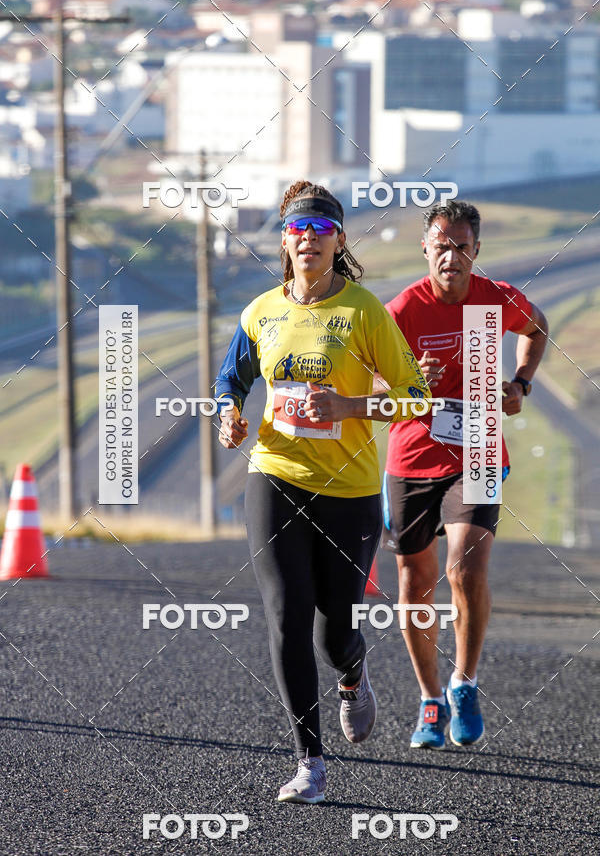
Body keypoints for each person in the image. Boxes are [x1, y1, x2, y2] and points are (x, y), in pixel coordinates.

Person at [215, 181, 430, 803]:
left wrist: (350, 404)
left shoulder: (364, 312)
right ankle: (310, 761)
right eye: (297, 229)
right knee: (286, 614)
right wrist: (227, 413)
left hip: (351, 490)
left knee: (334, 631)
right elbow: (229, 382)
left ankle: (354, 674)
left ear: (338, 240)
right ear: (284, 241)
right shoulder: (260, 312)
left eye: (320, 229)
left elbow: (415, 397)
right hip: (275, 474)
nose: (308, 239)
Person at [376, 200, 548, 749]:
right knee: (413, 583)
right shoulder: (400, 311)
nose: (451, 255)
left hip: (476, 450)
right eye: (441, 244)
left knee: (465, 568)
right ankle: (429, 698)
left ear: (476, 252)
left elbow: (537, 326)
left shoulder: (493, 299)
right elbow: (366, 390)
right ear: (425, 248)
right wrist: (403, 383)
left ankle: (464, 683)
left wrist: (520, 385)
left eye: (461, 246)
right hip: (411, 457)